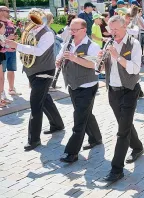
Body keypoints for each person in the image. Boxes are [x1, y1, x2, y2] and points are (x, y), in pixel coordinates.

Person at [5, 8, 65, 151]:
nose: (34, 22)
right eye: (32, 19)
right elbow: (28, 46)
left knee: (35, 104)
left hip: (43, 72)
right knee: (44, 98)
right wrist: (13, 45)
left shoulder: (48, 33)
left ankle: (34, 140)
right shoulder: (32, 30)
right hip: (32, 70)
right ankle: (57, 124)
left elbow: (38, 51)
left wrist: (18, 45)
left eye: (37, 19)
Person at [100, 15, 144, 182]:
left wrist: (117, 56)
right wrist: (101, 58)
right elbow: (108, 67)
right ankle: (138, 147)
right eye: (111, 30)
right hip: (113, 90)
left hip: (129, 90)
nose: (113, 33)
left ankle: (116, 169)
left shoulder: (134, 44)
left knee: (122, 132)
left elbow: (134, 69)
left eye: (116, 29)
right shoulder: (109, 43)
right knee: (124, 124)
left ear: (124, 26)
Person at [56, 18, 102, 163]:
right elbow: (58, 59)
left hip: (87, 86)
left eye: (75, 30)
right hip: (72, 85)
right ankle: (96, 138)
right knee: (84, 113)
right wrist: (58, 62)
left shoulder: (92, 46)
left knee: (79, 118)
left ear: (84, 30)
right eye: (71, 29)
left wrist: (74, 58)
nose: (72, 32)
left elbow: (94, 65)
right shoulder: (67, 44)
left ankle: (71, 152)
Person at [0, 6, 21, 97]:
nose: (9, 12)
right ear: (1, 12)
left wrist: (15, 37)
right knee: (2, 73)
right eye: (7, 11)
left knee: (11, 70)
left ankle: (11, 89)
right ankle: (2, 93)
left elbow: (12, 34)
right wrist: (8, 38)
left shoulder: (10, 22)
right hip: (2, 51)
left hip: (12, 50)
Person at [0, 22, 8, 108]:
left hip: (1, 58)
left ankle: (1, 98)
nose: (5, 30)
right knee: (0, 78)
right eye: (4, 28)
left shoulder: (2, 36)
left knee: (1, 78)